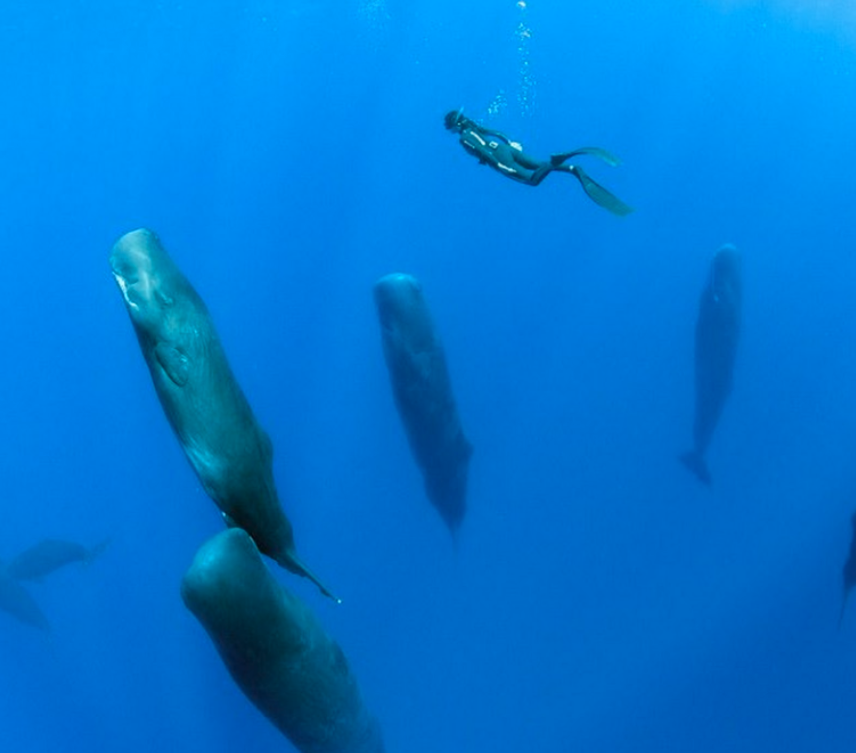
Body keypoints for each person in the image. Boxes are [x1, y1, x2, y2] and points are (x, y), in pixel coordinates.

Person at [443, 109, 633, 216]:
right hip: (506, 149)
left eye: (451, 129)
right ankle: (572, 168)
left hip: (500, 158)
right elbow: (497, 134)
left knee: (532, 179)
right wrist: (511, 144)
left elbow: (482, 151)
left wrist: (500, 165)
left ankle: (556, 161)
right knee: (539, 165)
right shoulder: (476, 127)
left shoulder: (464, 137)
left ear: (455, 126)